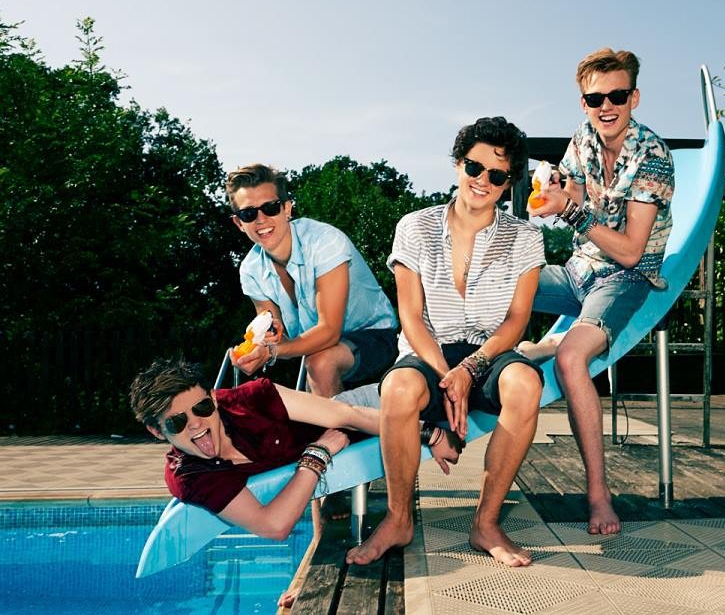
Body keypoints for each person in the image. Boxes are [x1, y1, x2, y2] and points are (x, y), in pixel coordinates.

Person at [346, 117, 546, 568]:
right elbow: (411, 317)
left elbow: (516, 321)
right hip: (429, 351)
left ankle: (486, 523)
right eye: (474, 167)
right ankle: (398, 519)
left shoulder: (525, 238)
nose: (483, 181)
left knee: (525, 384)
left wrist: (470, 369)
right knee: (398, 389)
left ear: (509, 182)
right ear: (458, 164)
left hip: (489, 351)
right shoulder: (415, 227)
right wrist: (448, 377)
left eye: (497, 175)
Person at [130, 358, 461, 608]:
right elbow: (274, 526)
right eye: (176, 422)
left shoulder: (249, 399)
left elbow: (347, 414)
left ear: (214, 399)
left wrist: (428, 433)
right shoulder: (189, 476)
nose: (196, 424)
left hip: (375, 408)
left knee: (454, 396)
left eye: (201, 407)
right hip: (337, 441)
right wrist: (317, 455)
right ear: (157, 432)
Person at [525, 47, 675, 536]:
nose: (605, 106)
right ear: (584, 102)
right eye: (595, 98)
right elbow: (567, 194)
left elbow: (630, 251)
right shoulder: (582, 140)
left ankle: (598, 495)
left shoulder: (653, 157)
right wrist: (551, 195)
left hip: (623, 279)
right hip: (578, 270)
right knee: (501, 282)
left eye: (616, 96)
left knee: (571, 360)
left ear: (634, 97)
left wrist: (569, 211)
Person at [226, 164, 399, 397]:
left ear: (287, 208)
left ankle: (335, 422)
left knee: (319, 364)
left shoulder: (324, 241)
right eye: (249, 214)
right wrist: (262, 344)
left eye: (270, 207)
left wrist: (274, 351)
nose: (261, 220)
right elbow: (275, 334)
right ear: (239, 223)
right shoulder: (250, 270)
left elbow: (329, 331)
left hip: (376, 337)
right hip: (318, 350)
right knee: (314, 366)